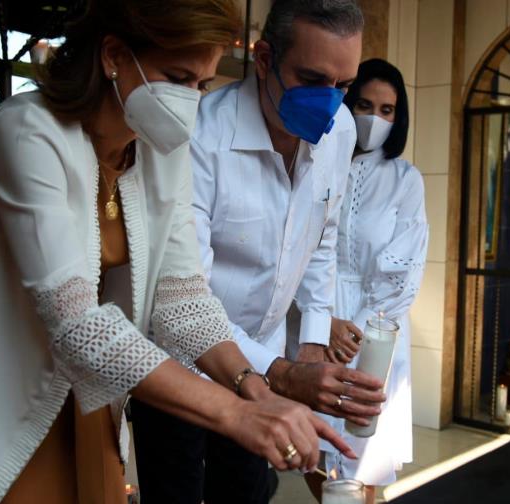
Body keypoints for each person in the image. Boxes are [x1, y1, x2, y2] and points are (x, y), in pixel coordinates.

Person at [0, 2, 352, 503]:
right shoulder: (27, 133)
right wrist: (236, 414)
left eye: (202, 85)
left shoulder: (159, 149)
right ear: (113, 55)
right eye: (177, 76)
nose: (191, 101)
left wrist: (254, 388)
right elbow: (76, 323)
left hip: (82, 399)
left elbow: (183, 300)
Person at [130, 1, 386, 503]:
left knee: (247, 494)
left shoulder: (341, 133)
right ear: (264, 59)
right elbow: (183, 296)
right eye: (313, 80)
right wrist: (282, 373)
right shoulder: (198, 134)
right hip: (182, 365)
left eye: (343, 87)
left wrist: (311, 343)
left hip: (266, 361)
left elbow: (321, 238)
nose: (329, 104)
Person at [307, 58, 428, 503]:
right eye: (364, 104)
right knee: (315, 453)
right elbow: (299, 249)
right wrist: (324, 324)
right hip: (316, 321)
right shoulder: (317, 160)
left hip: (374, 331)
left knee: (362, 460)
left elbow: (405, 271)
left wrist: (353, 330)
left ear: (399, 118)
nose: (374, 118)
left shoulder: (406, 180)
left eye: (387, 110)